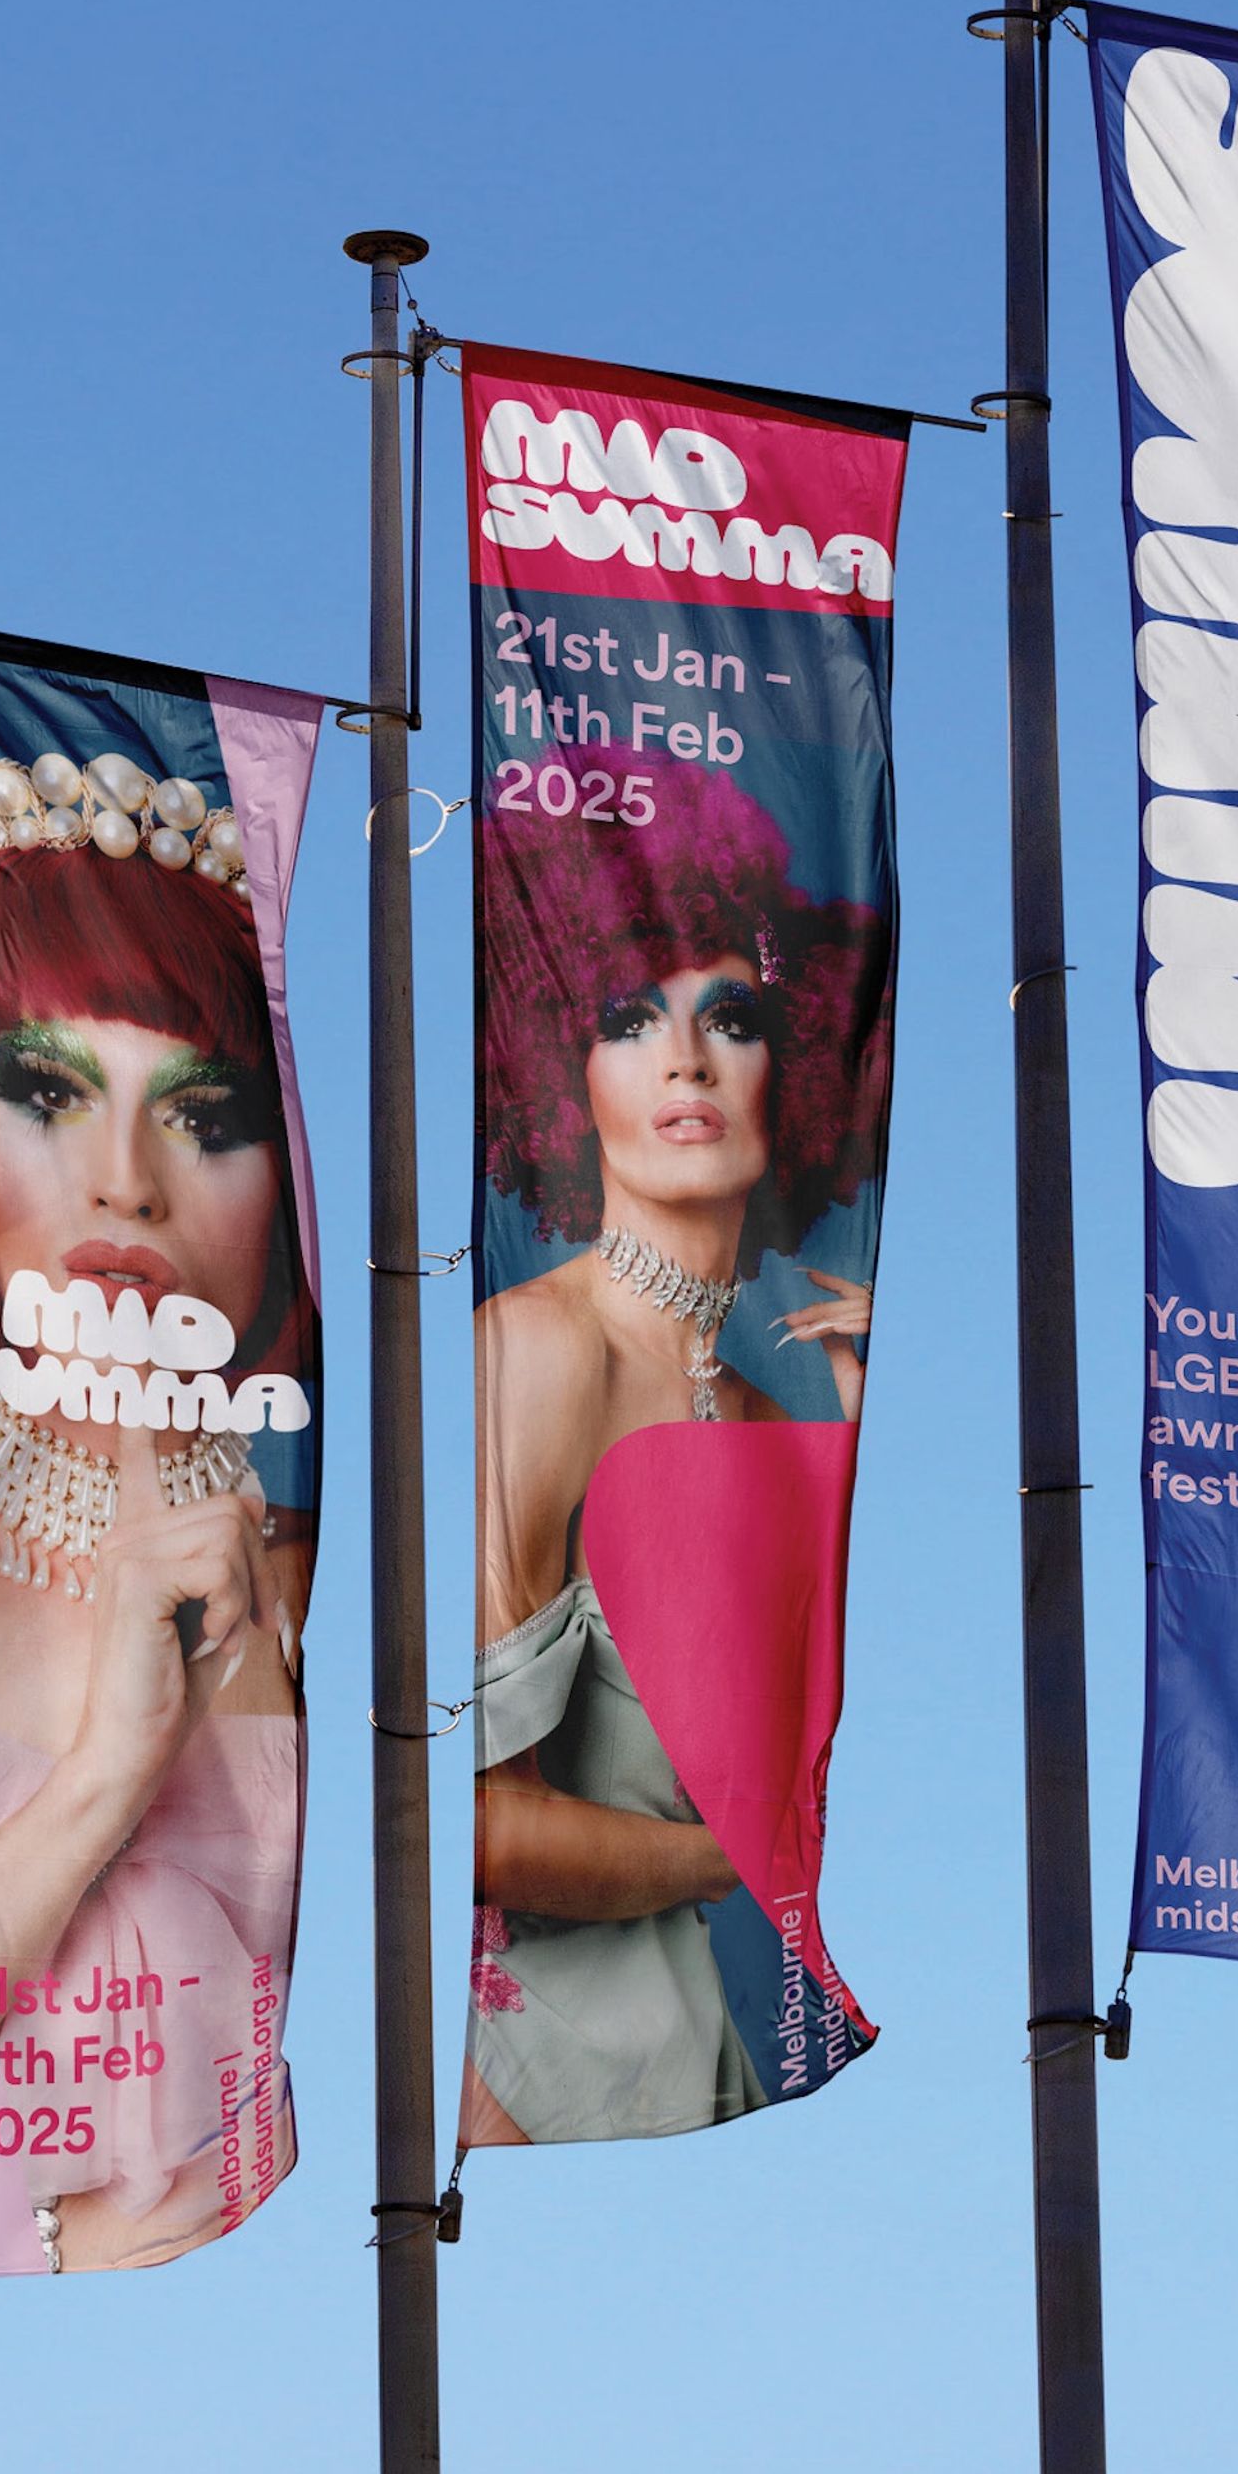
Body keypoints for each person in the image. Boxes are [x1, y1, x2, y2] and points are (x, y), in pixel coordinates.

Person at [0, 747, 316, 2274]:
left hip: (333, 2344)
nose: (125, 1184)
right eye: (48, 1092)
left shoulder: (341, 1588)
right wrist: (111, 1769)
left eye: (205, 1115)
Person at [463, 747, 889, 2147]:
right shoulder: (536, 1352)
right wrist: (738, 1862)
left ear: (791, 1067)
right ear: (566, 1073)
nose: (688, 1058)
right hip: (537, 2075)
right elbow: (479, 1827)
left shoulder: (778, 1413)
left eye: (734, 1014)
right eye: (629, 1017)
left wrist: (841, 1435)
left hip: (717, 2053)